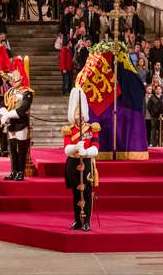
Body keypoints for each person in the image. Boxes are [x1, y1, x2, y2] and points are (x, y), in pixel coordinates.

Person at [61, 88, 100, 232]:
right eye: (77, 115)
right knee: (76, 193)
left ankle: (87, 221)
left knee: (87, 192)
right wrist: (76, 147)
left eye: (81, 114)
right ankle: (77, 220)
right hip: (73, 162)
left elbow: (96, 146)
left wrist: (87, 151)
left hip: (87, 162)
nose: (80, 117)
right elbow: (66, 148)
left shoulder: (92, 128)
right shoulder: (69, 129)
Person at [0, 63, 34, 181]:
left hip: (21, 123)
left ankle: (21, 172)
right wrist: (3, 113)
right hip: (11, 123)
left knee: (21, 149)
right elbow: (3, 105)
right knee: (12, 149)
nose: (13, 82)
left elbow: (23, 108)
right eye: (12, 80)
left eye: (15, 80)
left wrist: (8, 114)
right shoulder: (9, 92)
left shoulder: (27, 92)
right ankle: (13, 171)